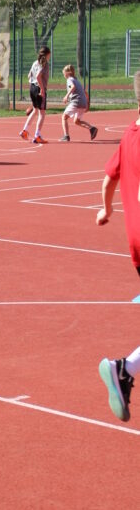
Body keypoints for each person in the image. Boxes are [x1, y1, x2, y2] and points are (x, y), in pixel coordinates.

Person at [96, 71, 140, 422]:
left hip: (135, 242)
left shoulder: (128, 135)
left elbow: (108, 180)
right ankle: (124, 367)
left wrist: (106, 210)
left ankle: (125, 370)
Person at [19, 45, 50, 144]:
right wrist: (42, 89)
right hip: (39, 88)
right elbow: (38, 76)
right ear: (48, 54)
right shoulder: (44, 64)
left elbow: (29, 75)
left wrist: (34, 84)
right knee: (42, 113)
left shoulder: (35, 63)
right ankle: (37, 136)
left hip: (32, 88)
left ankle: (24, 131)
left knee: (35, 111)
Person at [60, 64, 97, 142]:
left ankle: (66, 136)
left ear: (67, 73)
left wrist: (66, 96)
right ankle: (92, 128)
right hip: (83, 103)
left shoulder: (69, 79)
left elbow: (73, 87)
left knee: (64, 117)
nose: (63, 75)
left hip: (76, 102)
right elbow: (85, 93)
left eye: (64, 73)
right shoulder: (77, 81)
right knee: (77, 121)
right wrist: (87, 104)